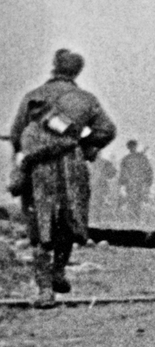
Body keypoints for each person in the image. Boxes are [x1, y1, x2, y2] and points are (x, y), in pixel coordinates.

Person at [7, 49, 117, 305]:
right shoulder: (86, 99)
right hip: (71, 165)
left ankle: (44, 290)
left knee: (40, 225)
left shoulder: (34, 96)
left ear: (55, 67)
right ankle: (58, 270)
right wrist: (81, 143)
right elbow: (107, 130)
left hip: (38, 168)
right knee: (68, 219)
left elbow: (16, 134)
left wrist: (25, 155)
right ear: (77, 71)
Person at [119, 139, 154, 220]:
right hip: (134, 182)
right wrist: (122, 182)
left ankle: (135, 217)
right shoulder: (129, 158)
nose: (132, 148)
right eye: (131, 147)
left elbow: (148, 170)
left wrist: (148, 182)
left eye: (133, 146)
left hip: (136, 182)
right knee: (134, 200)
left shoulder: (128, 158)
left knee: (136, 200)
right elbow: (123, 172)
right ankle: (134, 217)